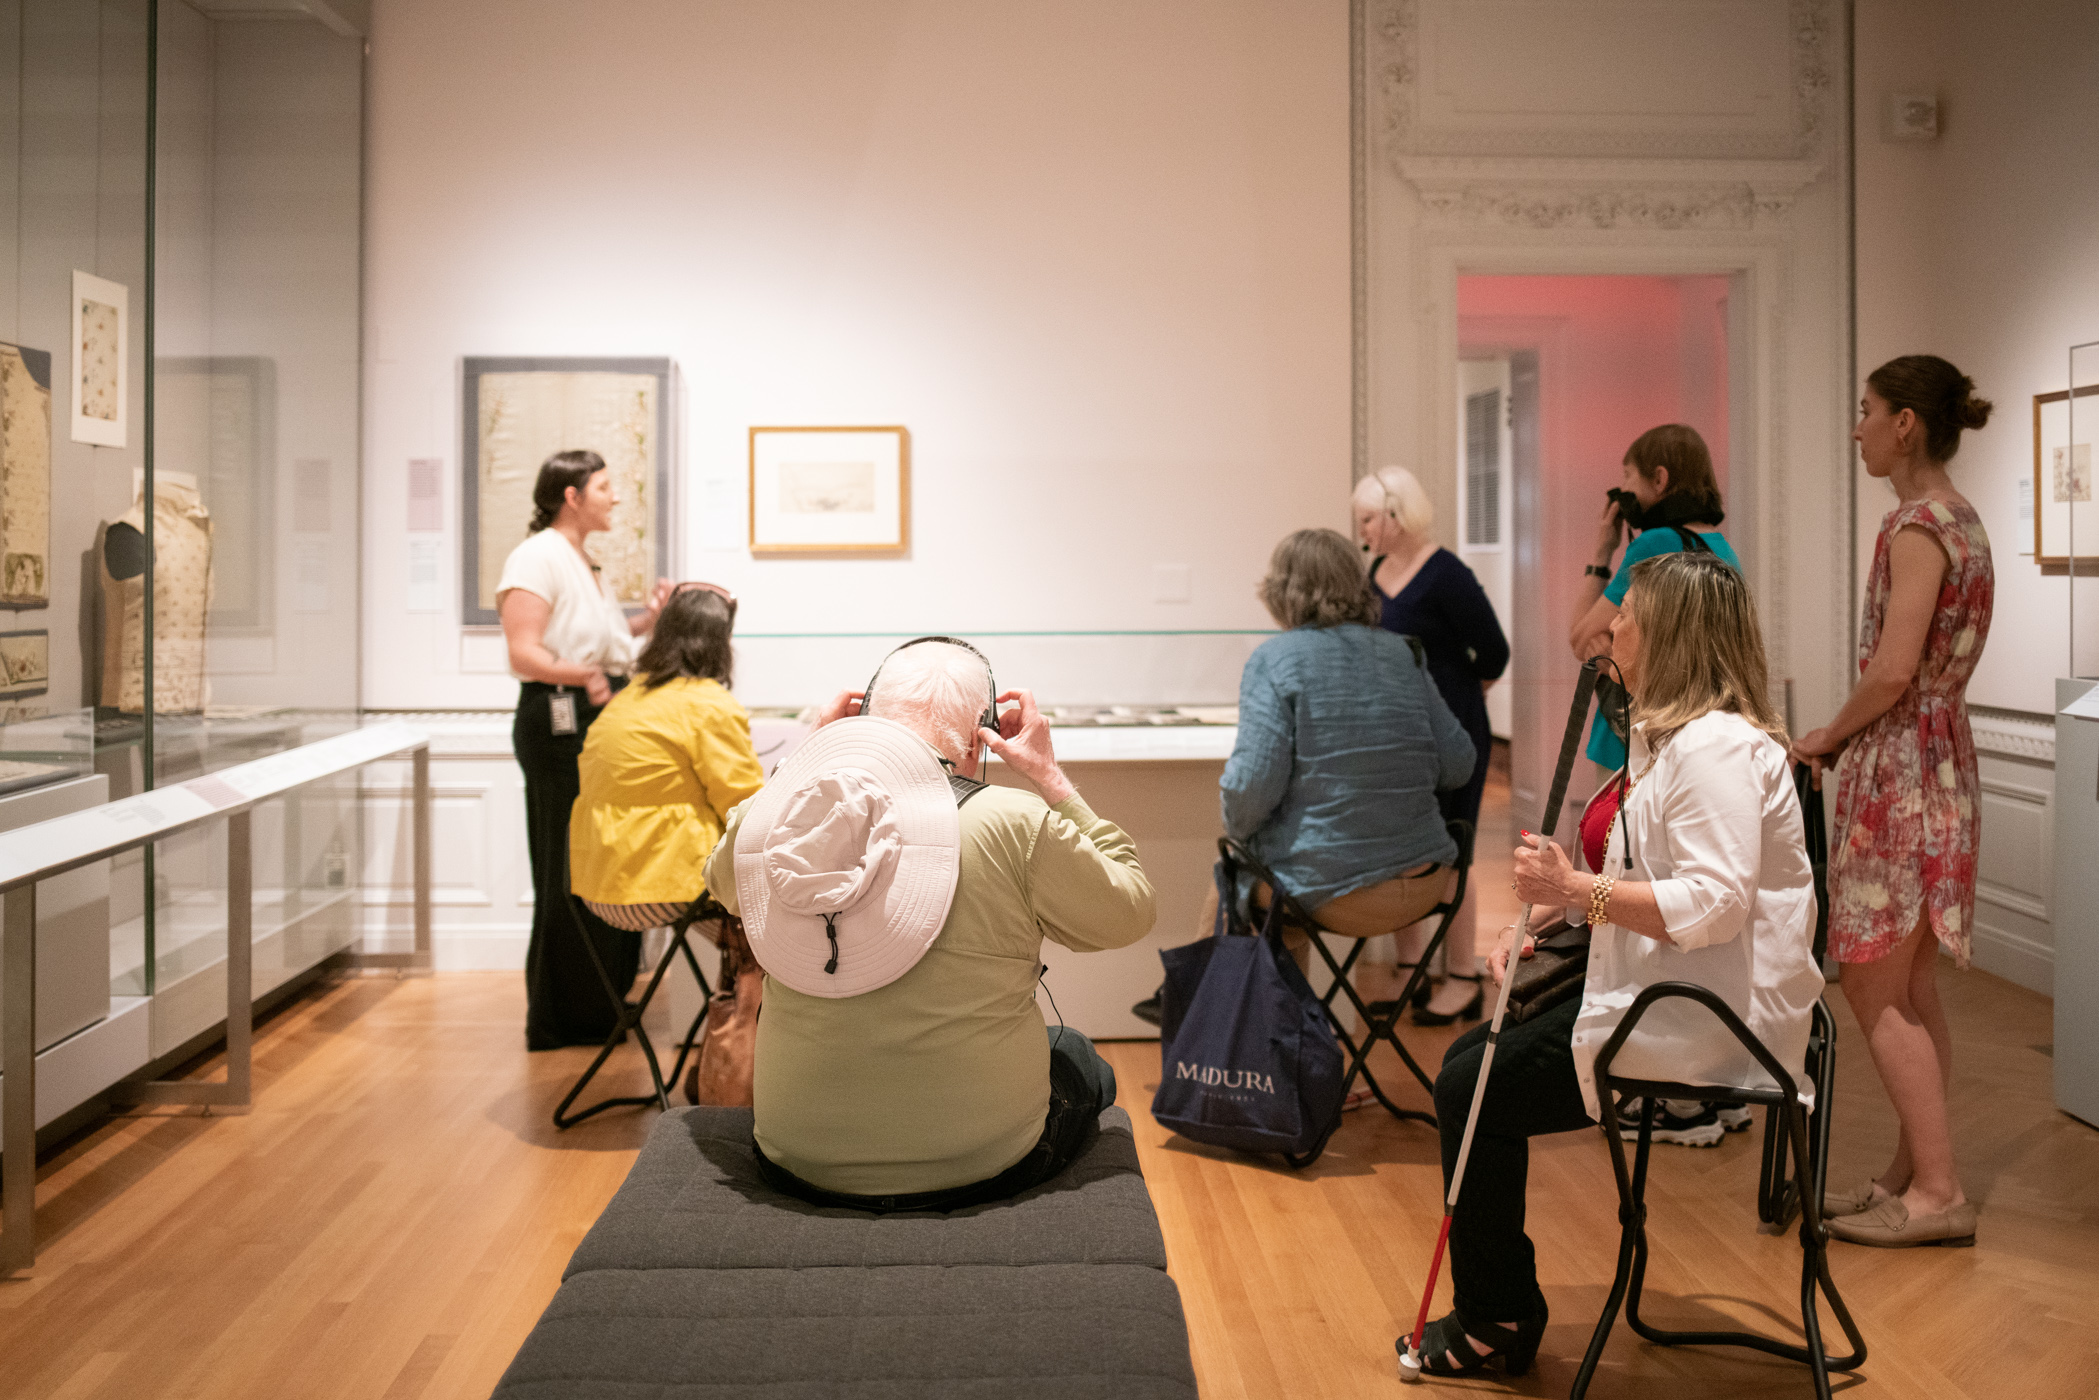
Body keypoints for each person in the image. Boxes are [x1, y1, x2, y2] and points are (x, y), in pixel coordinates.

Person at [1410, 551, 1821, 1378]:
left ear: (1668, 633)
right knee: (1467, 1067)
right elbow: (1645, 881)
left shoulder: (1712, 750)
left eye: (1626, 612)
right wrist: (1554, 911)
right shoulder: (1672, 741)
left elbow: (1710, 907)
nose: (1609, 624)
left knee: (1468, 1084)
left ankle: (1496, 1318)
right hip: (1665, 994)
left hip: (1710, 1021)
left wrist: (1576, 889)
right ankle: (1496, 1308)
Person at [701, 640, 1155, 1208]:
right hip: (983, 1164)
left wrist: (808, 761)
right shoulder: (1014, 821)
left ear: (863, 717)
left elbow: (722, 880)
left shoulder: (787, 816)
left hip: (796, 1157)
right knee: (1076, 1056)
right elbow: (1131, 910)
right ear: (978, 737)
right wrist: (1050, 777)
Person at [1792, 355, 1994, 1249]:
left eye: (1865, 410)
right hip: (1941, 762)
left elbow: (1893, 670)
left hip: (1902, 773)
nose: (1856, 427)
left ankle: (1939, 1192)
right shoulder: (1963, 521)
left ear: (1904, 422)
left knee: (1875, 987)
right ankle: (1910, 1176)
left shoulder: (1915, 525)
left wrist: (1824, 737)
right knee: (1908, 985)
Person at [1219, 528, 1475, 970]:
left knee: (1235, 864)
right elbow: (1459, 764)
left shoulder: (1276, 659)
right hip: (1425, 882)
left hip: (1333, 892)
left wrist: (1238, 824)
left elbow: (1251, 789)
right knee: (1257, 867)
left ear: (1282, 591)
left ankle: (1244, 1014)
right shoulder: (1403, 654)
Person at [497, 449, 672, 1050]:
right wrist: (584, 678)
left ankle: (599, 1004)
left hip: (596, 720)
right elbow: (525, 652)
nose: (614, 497)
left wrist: (648, 619)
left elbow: (606, 641)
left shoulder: (580, 562)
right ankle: (561, 1017)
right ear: (571, 496)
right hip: (560, 725)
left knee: (602, 862)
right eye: (603, 486)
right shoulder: (536, 556)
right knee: (566, 868)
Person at [1352, 466, 1509, 1025]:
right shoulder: (1376, 570)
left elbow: (1493, 652)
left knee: (1451, 850)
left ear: (1395, 515)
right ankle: (1409, 969)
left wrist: (1458, 695)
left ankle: (1462, 976)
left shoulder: (1447, 575)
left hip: (1452, 731)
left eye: (1368, 517)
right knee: (1402, 844)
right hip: (1397, 734)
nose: (1362, 529)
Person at [570, 582, 763, 934]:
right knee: (771, 886)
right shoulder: (708, 703)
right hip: (666, 889)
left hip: (598, 887)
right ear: (721, 644)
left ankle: (733, 981)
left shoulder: (629, 697)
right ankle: (747, 981)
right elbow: (744, 802)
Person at [1568, 424, 1741, 772]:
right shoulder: (1723, 550)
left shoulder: (1654, 543)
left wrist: (1602, 551)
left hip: (1634, 736)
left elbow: (1579, 636)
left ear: (1659, 480)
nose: (1624, 489)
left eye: (1628, 476)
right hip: (1691, 730)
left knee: (1616, 826)